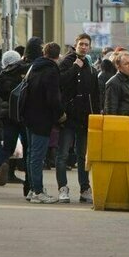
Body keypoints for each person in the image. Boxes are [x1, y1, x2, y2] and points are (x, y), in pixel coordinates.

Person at [56, 33, 100, 204]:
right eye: (81, 44)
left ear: (89, 47)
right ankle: (63, 188)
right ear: (75, 45)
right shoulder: (67, 61)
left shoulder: (90, 66)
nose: (83, 47)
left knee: (82, 155)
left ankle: (85, 188)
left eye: (86, 44)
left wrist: (95, 114)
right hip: (68, 117)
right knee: (63, 154)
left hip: (84, 117)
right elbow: (60, 82)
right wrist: (74, 67)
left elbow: (94, 93)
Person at [0, 49, 29, 194]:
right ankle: (29, 182)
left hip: (7, 113)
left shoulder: (5, 73)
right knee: (29, 147)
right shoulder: (27, 70)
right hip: (24, 114)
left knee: (7, 146)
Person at [23, 42, 65, 204]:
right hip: (42, 118)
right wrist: (60, 114)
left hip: (28, 115)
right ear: (57, 55)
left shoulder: (34, 67)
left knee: (31, 154)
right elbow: (53, 98)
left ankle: (32, 189)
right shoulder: (51, 71)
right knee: (37, 156)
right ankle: (38, 191)